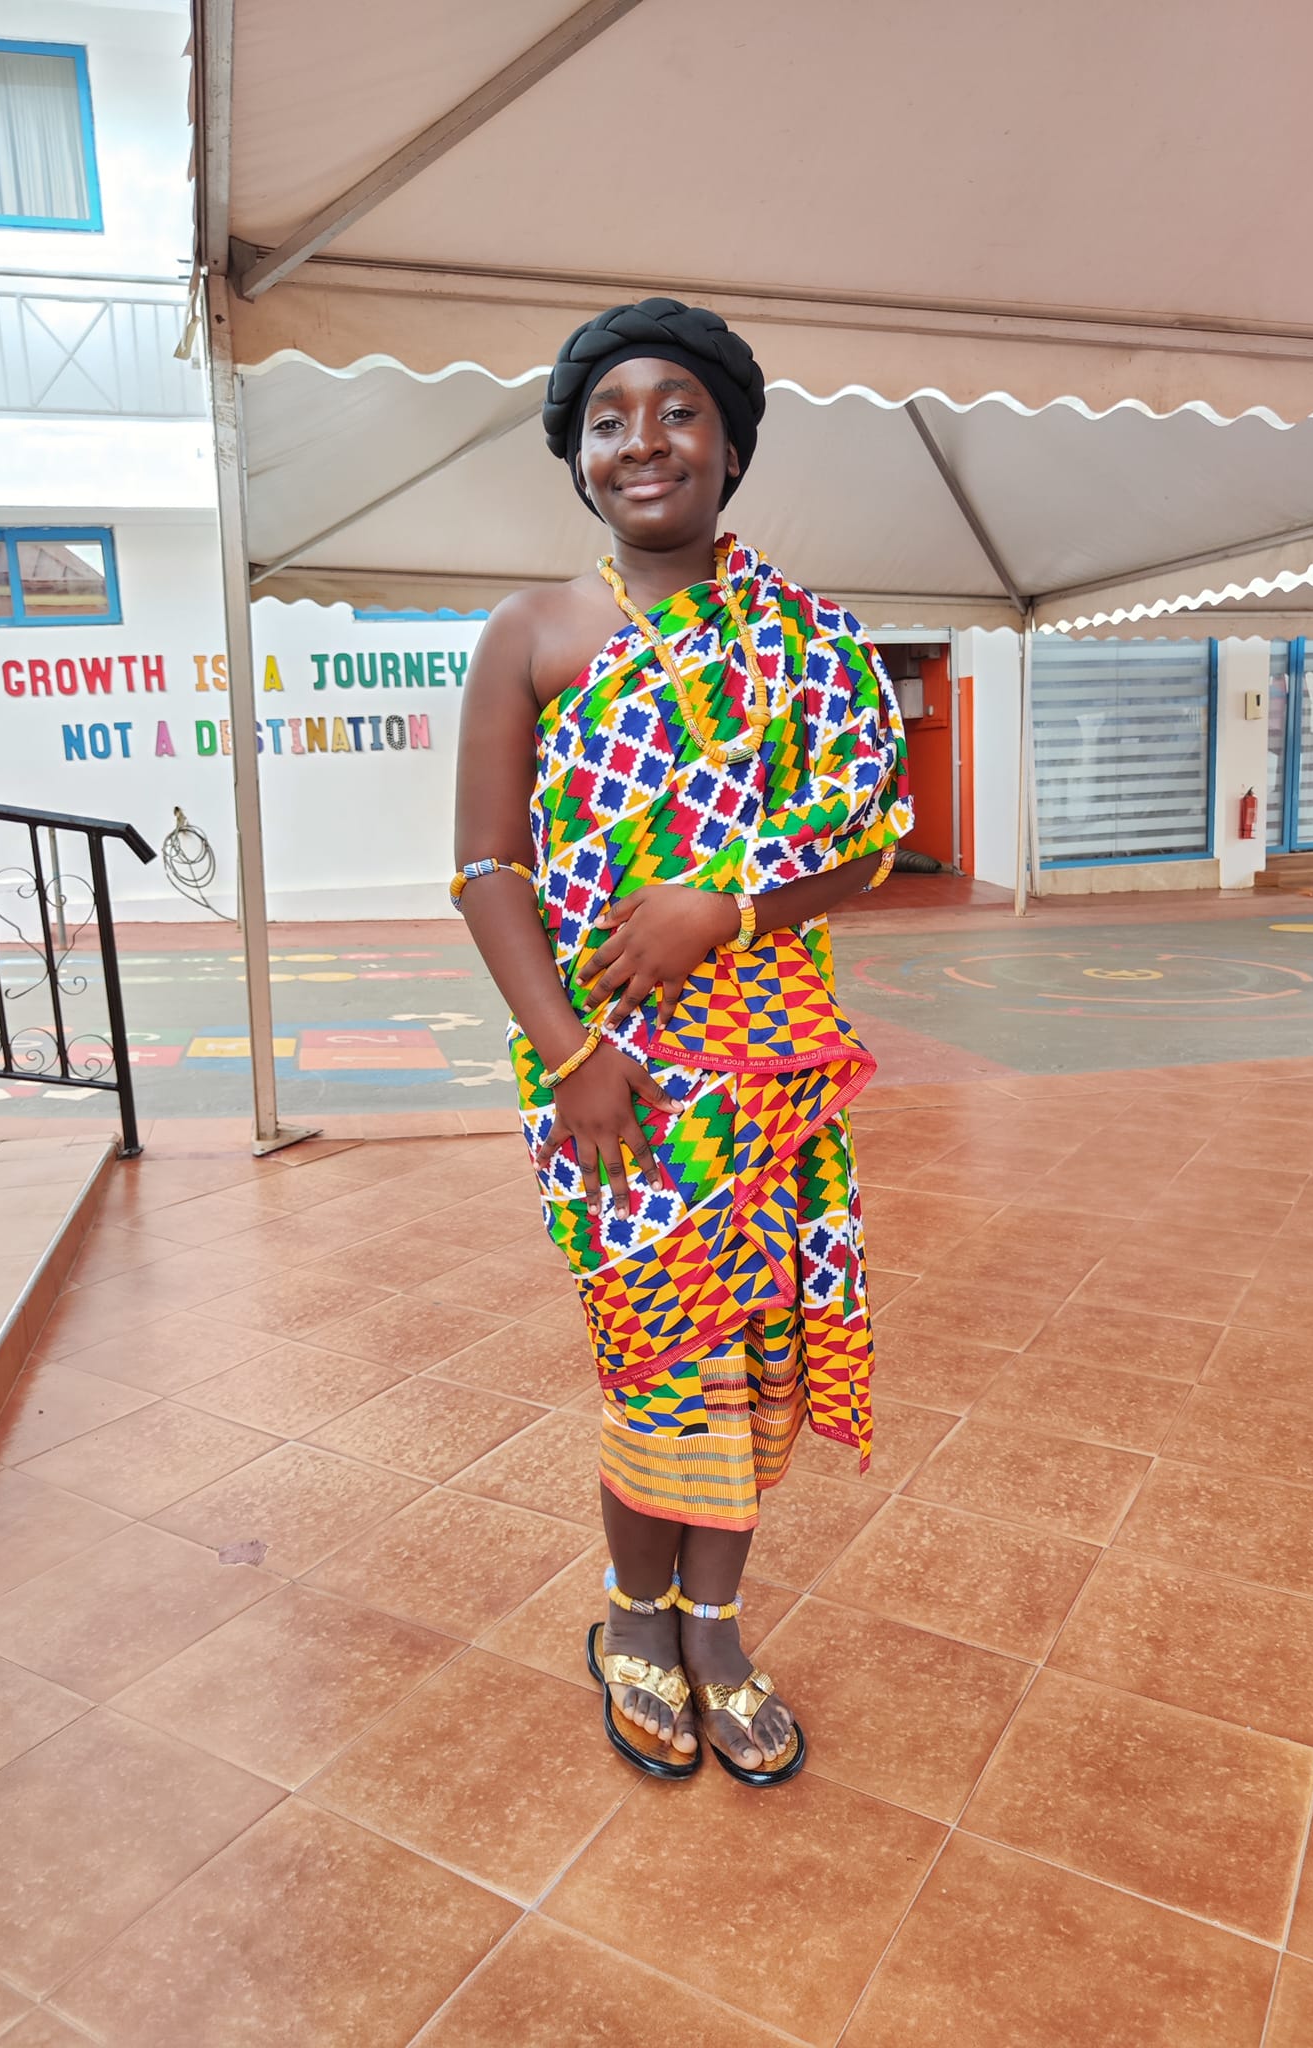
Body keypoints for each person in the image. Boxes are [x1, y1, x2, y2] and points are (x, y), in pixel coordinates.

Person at [453, 297, 911, 1785]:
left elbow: (870, 834)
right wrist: (571, 1054)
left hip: (775, 1070)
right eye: (608, 421)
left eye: (677, 412)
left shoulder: (808, 639)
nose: (641, 442)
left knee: (758, 1354)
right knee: (657, 1356)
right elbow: (488, 869)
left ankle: (714, 1627)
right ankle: (633, 1614)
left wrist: (727, 907)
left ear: (731, 446)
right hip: (617, 1085)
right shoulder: (531, 634)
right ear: (578, 457)